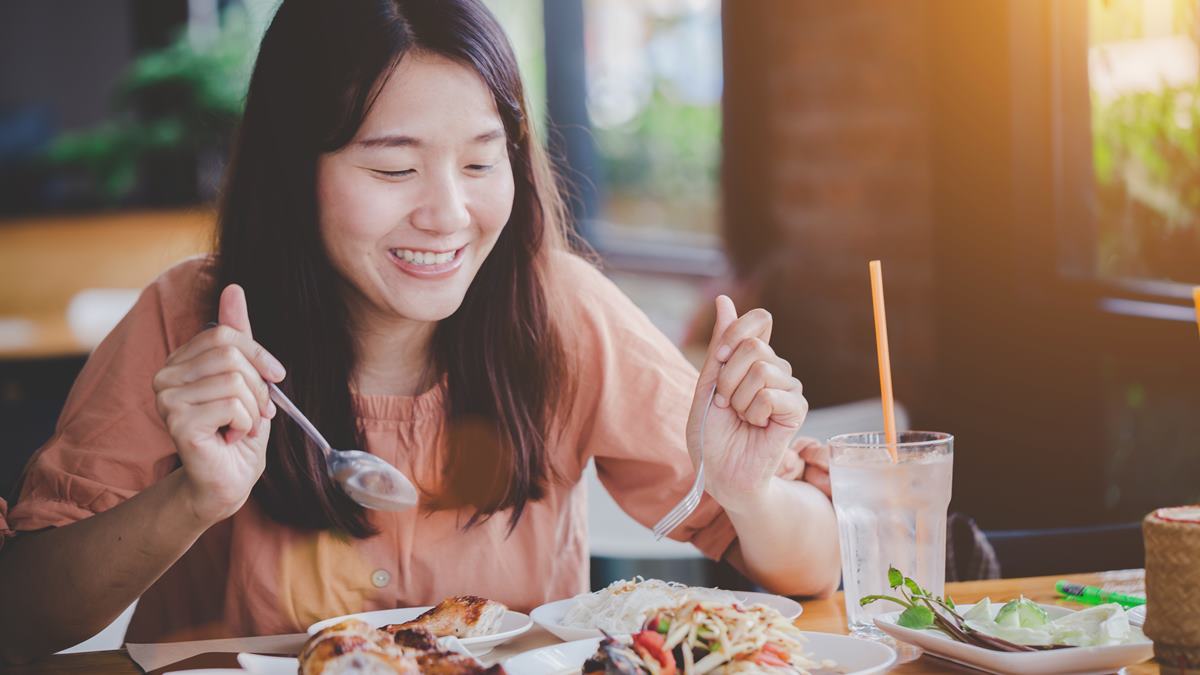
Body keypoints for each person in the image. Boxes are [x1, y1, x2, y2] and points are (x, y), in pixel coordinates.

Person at [0, 0, 838, 663]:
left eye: (479, 162)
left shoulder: (561, 311)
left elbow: (814, 567)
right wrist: (194, 497)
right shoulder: (190, 321)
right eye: (394, 167)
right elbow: (19, 616)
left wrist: (751, 494)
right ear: (295, 172)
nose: (448, 213)